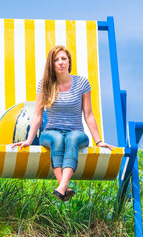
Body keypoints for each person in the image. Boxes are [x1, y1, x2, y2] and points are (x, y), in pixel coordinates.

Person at [11, 45, 114, 201]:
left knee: (71, 139)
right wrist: (29, 140)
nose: (60, 62)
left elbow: (89, 114)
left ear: (69, 62)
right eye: (56, 60)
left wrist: (99, 141)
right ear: (51, 64)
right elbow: (38, 116)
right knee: (58, 139)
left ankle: (62, 187)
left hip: (76, 133)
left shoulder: (82, 83)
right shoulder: (45, 85)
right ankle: (64, 187)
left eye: (63, 59)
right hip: (51, 132)